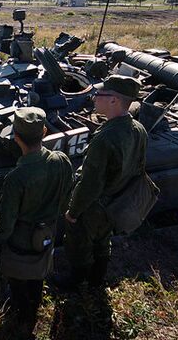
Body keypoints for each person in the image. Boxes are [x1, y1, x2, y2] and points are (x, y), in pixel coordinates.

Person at [0, 107, 74, 337]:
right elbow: (67, 197)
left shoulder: (16, 178)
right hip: (46, 232)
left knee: (18, 279)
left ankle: (21, 312)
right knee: (38, 273)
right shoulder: (62, 161)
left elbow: (7, 221)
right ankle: (33, 307)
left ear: (16, 137)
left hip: (20, 239)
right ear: (45, 132)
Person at [63, 75, 148, 289]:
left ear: (114, 101)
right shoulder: (138, 129)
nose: (94, 98)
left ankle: (75, 281)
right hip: (119, 202)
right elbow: (139, 167)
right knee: (103, 242)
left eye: (99, 94)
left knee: (80, 243)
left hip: (96, 206)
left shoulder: (105, 139)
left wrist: (73, 212)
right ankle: (97, 280)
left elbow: (90, 184)